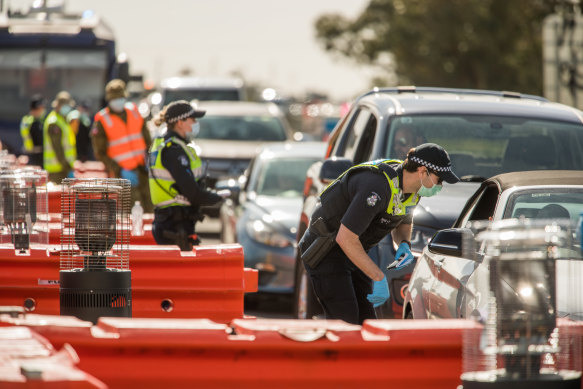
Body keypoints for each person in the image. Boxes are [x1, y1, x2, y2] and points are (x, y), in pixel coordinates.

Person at [298, 143, 459, 324]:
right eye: (439, 180)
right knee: (345, 321)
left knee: (366, 321)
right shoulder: (377, 187)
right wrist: (379, 276)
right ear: (423, 171)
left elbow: (404, 220)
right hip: (327, 251)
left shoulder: (414, 190)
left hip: (353, 253)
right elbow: (345, 237)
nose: (440, 186)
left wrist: (404, 243)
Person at [148, 100, 229, 250]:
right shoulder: (173, 150)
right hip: (174, 227)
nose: (195, 123)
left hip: (173, 223)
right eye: (192, 119)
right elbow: (192, 193)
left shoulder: (168, 145)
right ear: (180, 122)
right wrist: (218, 198)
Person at [92, 79, 153, 211]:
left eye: (120, 97)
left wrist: (150, 159)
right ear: (108, 99)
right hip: (123, 175)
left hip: (142, 169)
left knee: (150, 208)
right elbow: (100, 153)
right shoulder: (102, 120)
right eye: (114, 98)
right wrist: (119, 170)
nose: (118, 101)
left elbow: (147, 140)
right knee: (132, 211)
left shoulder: (134, 112)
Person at [43, 91, 77, 183]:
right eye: (64, 105)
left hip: (62, 168)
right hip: (57, 169)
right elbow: (58, 149)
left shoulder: (62, 120)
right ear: (57, 106)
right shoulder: (54, 122)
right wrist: (67, 168)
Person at [20, 94, 45, 167]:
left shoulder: (27, 120)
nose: (43, 110)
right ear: (36, 109)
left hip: (31, 155)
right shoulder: (34, 123)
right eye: (41, 108)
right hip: (35, 157)